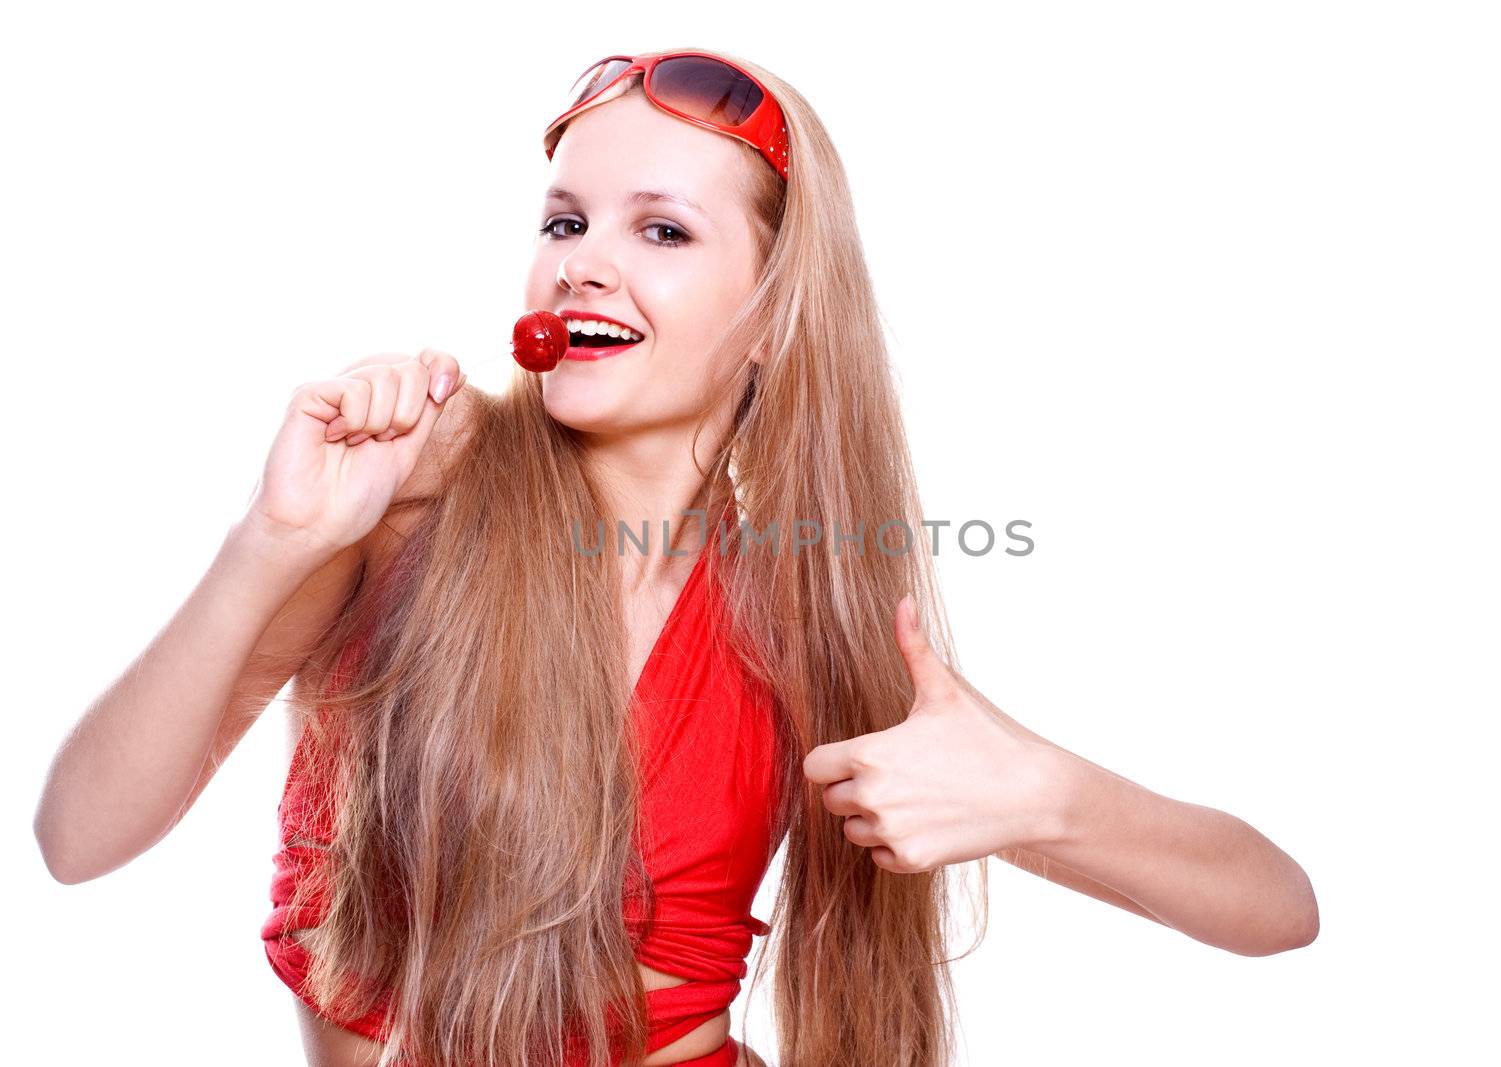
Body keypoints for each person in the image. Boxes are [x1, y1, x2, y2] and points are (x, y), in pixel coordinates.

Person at [34, 46, 1318, 1067]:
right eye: (564, 218)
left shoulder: (804, 618)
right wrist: (270, 545)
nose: (581, 262)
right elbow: (77, 838)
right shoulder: (403, 503)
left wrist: (1045, 795)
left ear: (772, 314)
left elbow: (1277, 909)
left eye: (662, 231)